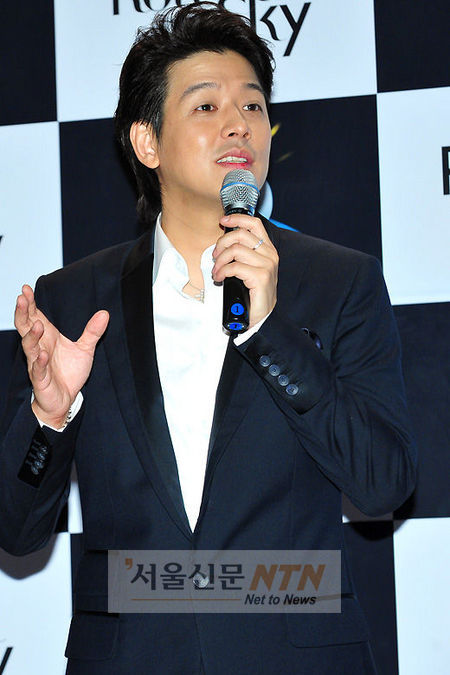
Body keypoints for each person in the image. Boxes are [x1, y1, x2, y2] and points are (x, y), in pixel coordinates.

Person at [0, 4, 416, 674]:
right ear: (147, 143)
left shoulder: (340, 282)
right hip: (131, 658)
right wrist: (49, 416)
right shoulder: (72, 301)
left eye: (252, 106)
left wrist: (271, 332)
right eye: (205, 106)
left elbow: (384, 483)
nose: (238, 124)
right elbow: (16, 529)